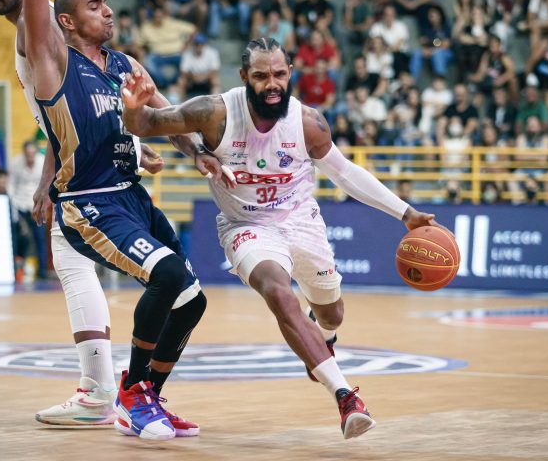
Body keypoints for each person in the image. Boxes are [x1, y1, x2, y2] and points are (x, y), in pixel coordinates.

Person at [120, 37, 437, 439]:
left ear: (290, 74)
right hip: (246, 226)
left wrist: (405, 213)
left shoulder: (307, 122)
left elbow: (345, 173)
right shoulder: (214, 112)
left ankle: (322, 336)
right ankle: (346, 397)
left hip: (301, 221)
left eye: (279, 74)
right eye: (261, 75)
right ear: (243, 76)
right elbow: (146, 124)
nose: (272, 83)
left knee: (332, 313)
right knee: (278, 291)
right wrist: (134, 108)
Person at [14, 0, 221, 441]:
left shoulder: (126, 64)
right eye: (94, 5)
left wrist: (197, 153)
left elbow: (169, 118)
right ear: (65, 21)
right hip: (90, 202)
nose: (108, 11)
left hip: (133, 198)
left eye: (107, 2)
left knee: (191, 301)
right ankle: (129, 394)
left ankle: (145, 396)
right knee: (165, 275)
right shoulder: (54, 60)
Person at [8, 140, 47, 280]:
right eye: (27, 153)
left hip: (37, 205)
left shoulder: (43, 162)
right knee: (17, 238)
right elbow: (11, 185)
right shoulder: (15, 163)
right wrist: (13, 204)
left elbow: (46, 184)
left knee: (40, 238)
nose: (30, 155)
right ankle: (14, 270)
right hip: (19, 205)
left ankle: (42, 272)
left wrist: (39, 205)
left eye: (32, 153)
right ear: (24, 152)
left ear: (36, 152)